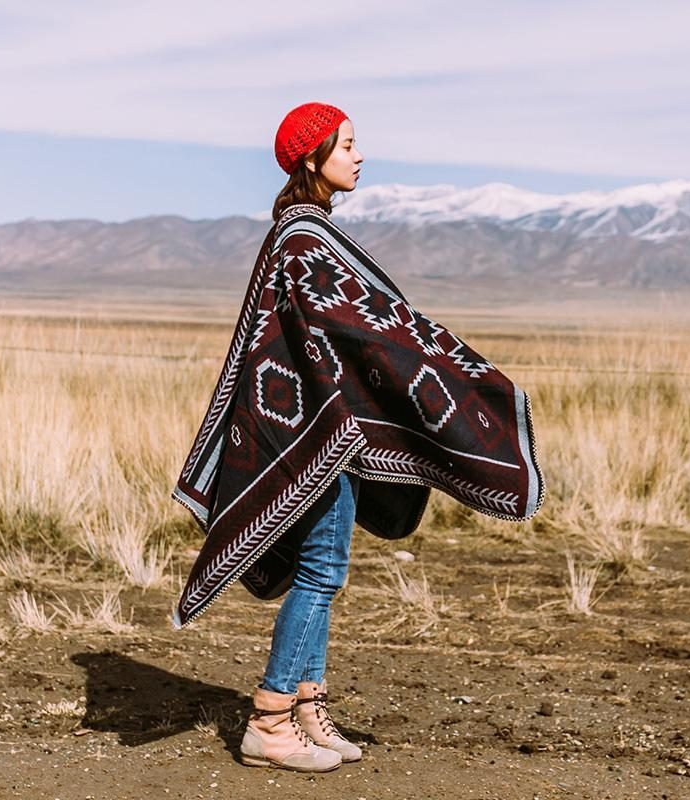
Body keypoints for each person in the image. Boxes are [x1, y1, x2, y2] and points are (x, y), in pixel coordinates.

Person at [170, 102, 545, 774]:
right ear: (314, 156)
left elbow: (361, 326)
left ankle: (308, 710)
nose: (359, 154)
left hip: (331, 435)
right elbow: (361, 331)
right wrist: (443, 366)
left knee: (324, 572)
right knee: (319, 575)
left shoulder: (308, 235)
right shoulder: (302, 240)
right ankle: (270, 720)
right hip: (316, 434)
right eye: (346, 143)